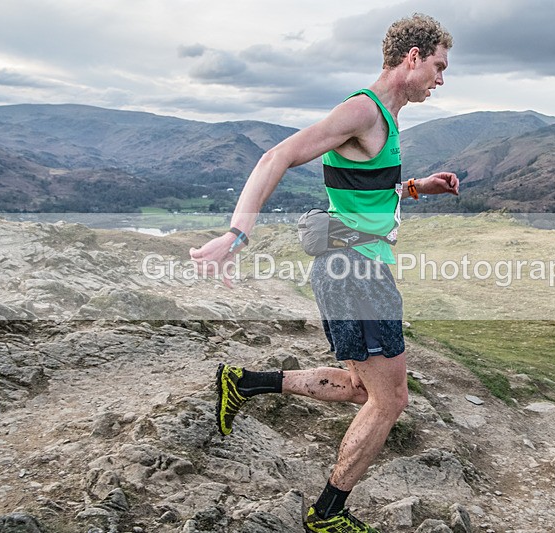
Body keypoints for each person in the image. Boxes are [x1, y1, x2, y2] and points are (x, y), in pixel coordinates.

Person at [190, 13, 458, 533]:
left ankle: (242, 383)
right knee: (391, 398)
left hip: (355, 266)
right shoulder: (363, 109)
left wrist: (420, 186)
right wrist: (235, 235)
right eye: (439, 66)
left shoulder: (387, 116)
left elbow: (367, 189)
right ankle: (327, 512)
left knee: (364, 390)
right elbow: (278, 155)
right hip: (356, 272)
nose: (441, 79)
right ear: (413, 58)